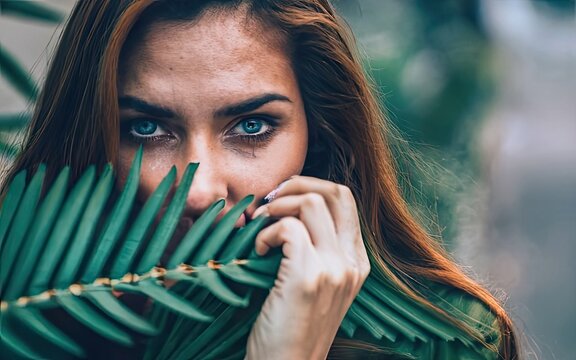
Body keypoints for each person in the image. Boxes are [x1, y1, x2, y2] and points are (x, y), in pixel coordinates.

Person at [2, 0, 518, 358]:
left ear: (318, 134)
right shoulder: (22, 315)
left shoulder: (437, 342)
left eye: (251, 127)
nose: (202, 191)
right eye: (146, 128)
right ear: (87, 133)